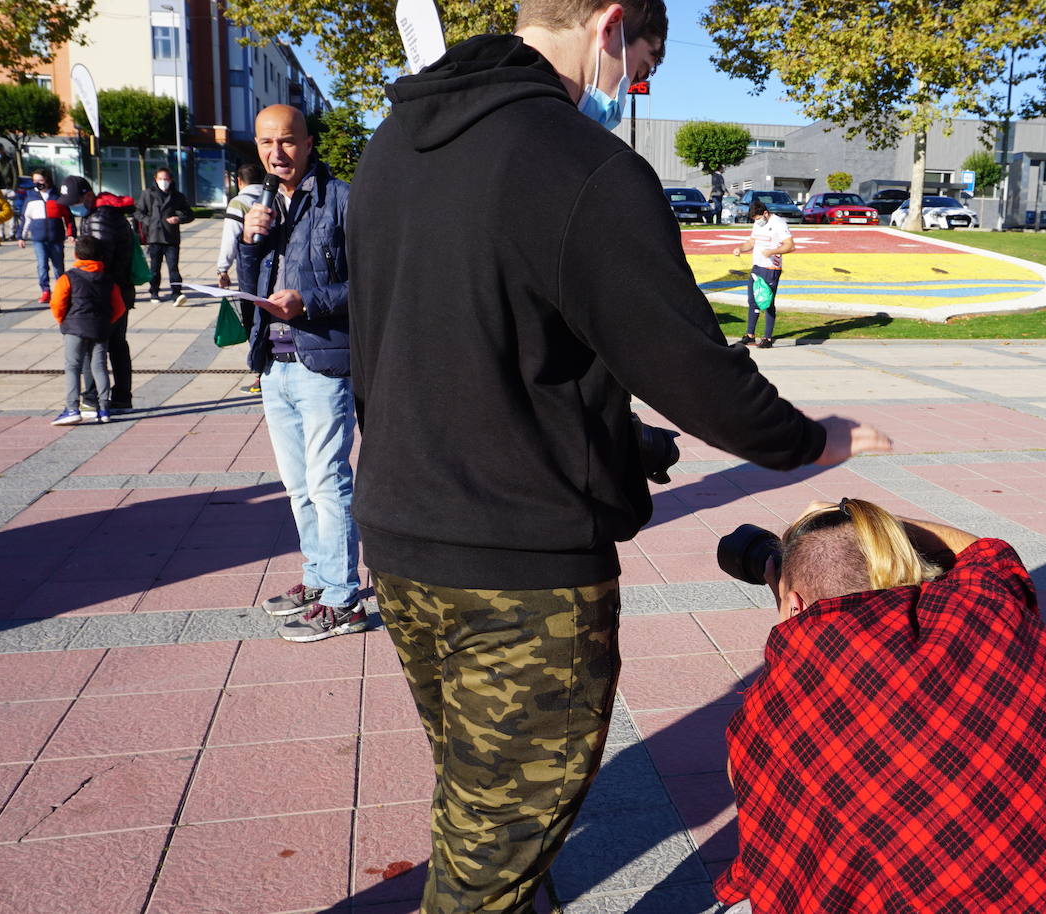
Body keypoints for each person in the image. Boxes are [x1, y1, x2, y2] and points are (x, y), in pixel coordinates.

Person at [346, 2, 891, 911]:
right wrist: (806, 441)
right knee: (490, 859)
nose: (633, 88)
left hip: (404, 538)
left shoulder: (394, 145)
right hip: (521, 572)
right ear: (608, 26)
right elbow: (686, 361)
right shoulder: (582, 163)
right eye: (641, 66)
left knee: (482, 810)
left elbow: (441, 344)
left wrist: (614, 438)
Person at [717, 499, 1046, 914]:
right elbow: (987, 551)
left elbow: (762, 817)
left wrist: (792, 625)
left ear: (794, 603)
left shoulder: (770, 715)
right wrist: (868, 521)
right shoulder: (978, 608)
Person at [238, 104, 361, 644]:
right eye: (267, 143)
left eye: (287, 141)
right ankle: (318, 579)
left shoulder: (343, 199)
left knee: (328, 482)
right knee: (297, 487)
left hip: (323, 362)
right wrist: (249, 244)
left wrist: (308, 301)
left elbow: (371, 281)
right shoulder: (260, 206)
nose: (277, 153)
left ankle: (343, 599)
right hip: (273, 363)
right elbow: (250, 287)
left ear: (309, 143)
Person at [59, 176, 138, 415]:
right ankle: (120, 397)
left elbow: (98, 263)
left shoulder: (100, 218)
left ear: (88, 195)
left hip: (105, 293)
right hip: (117, 290)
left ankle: (93, 399)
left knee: (92, 344)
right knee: (116, 345)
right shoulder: (102, 213)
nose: (73, 207)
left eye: (75, 201)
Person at [49, 235, 127, 426]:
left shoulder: (68, 277)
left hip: (75, 328)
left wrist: (63, 321)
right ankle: (104, 408)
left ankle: (72, 409)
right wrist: (107, 322)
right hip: (100, 329)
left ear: (76, 255)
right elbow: (119, 308)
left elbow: (57, 303)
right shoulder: (107, 279)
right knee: (99, 366)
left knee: (72, 367)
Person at [217, 162, 266, 394]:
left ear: (239, 181)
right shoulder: (273, 198)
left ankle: (260, 373)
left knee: (253, 322)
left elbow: (230, 239)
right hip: (277, 270)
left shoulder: (239, 203)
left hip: (250, 271)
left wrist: (222, 269)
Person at [731, 198, 793, 348]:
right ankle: (750, 335)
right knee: (753, 301)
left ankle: (768, 338)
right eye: (755, 220)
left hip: (771, 268)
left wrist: (772, 251)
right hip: (757, 267)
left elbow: (790, 245)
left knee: (767, 302)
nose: (757, 222)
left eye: (758, 218)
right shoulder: (757, 224)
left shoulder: (778, 223)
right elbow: (751, 242)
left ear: (765, 213)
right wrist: (740, 248)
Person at [134, 167, 194, 305]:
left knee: (173, 267)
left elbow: (189, 214)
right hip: (154, 237)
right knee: (155, 268)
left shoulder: (177, 196)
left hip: (171, 238)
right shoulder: (148, 194)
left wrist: (179, 219)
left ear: (171, 180)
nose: (163, 182)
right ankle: (154, 291)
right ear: (155, 179)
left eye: (166, 179)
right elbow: (138, 212)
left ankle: (176, 293)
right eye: (160, 179)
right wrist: (149, 221)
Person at [16, 168, 73, 304]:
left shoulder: (57, 197)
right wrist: (21, 236)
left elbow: (68, 217)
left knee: (58, 267)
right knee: (42, 266)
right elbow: (26, 218)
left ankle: (61, 291)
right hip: (39, 239)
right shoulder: (31, 197)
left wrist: (71, 233)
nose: (38, 183)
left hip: (56, 238)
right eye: (35, 181)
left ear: (47, 180)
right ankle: (45, 291)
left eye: (40, 180)